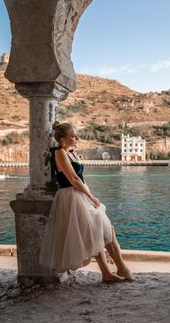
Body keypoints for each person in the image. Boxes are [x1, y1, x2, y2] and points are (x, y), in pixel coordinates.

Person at [39, 121, 137, 283]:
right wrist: (91, 196)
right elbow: (73, 178)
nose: (77, 138)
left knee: (98, 231)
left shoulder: (70, 153)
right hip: (72, 197)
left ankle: (109, 272)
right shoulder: (59, 152)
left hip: (80, 195)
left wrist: (88, 195)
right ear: (63, 139)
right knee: (104, 229)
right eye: (73, 135)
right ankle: (121, 269)